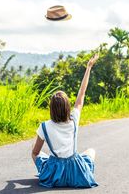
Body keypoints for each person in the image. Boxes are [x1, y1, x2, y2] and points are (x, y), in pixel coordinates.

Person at [32, 53, 99, 188]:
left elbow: (35, 152)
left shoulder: (44, 126)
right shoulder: (74, 119)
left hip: (54, 174)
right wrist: (88, 67)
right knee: (91, 151)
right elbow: (82, 93)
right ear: (67, 107)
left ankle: (44, 172)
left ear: (51, 109)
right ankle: (82, 172)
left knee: (37, 153)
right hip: (75, 171)